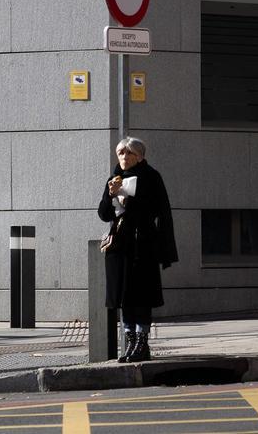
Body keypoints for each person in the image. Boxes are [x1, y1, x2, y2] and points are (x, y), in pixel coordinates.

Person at [98, 136, 178, 363]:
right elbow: (104, 214)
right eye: (121, 153)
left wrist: (128, 200)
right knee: (124, 296)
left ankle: (142, 343)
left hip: (142, 244)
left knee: (141, 295)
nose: (124, 157)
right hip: (119, 246)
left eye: (129, 153)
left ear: (140, 156)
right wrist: (111, 195)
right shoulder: (113, 179)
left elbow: (158, 210)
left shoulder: (151, 177)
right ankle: (131, 342)